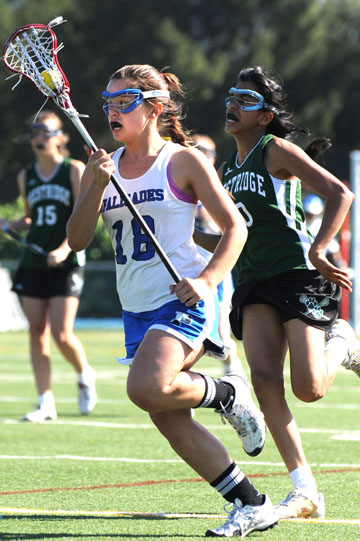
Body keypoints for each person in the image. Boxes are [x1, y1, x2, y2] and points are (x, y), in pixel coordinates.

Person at [66, 64, 277, 538]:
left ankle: (226, 393)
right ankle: (251, 503)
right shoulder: (101, 168)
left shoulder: (181, 161)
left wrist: (205, 281)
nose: (113, 111)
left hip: (180, 300)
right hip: (134, 307)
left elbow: (235, 229)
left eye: (125, 102)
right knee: (166, 417)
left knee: (144, 388)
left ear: (154, 108)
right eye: (108, 102)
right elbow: (77, 241)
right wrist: (95, 185)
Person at [194, 65, 360, 521]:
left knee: (308, 389)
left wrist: (321, 247)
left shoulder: (275, 150)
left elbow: (340, 193)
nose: (232, 104)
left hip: (295, 273)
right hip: (253, 281)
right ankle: (305, 490)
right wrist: (185, 233)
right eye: (231, 96)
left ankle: (342, 343)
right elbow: (233, 234)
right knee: (265, 383)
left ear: (265, 116)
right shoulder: (226, 170)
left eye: (245, 100)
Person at [0, 110, 97, 422]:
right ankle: (46, 402)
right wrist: (9, 223)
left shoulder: (73, 169)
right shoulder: (25, 175)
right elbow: (30, 218)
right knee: (36, 332)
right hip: (34, 262)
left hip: (66, 261)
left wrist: (63, 248)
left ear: (60, 137)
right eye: (34, 130)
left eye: (46, 130)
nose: (39, 136)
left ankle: (84, 374)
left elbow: (84, 216)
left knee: (61, 332)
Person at [192, 133, 245, 376]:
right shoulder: (177, 180)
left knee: (221, 337)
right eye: (194, 148)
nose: (200, 153)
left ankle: (235, 378)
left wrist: (211, 221)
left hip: (215, 269)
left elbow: (236, 229)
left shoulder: (220, 188)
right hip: (182, 266)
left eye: (206, 150)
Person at [303, 192, 346, 269]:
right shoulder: (300, 223)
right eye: (308, 214)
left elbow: (333, 249)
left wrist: (339, 265)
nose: (310, 217)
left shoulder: (321, 225)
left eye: (312, 214)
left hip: (316, 267)